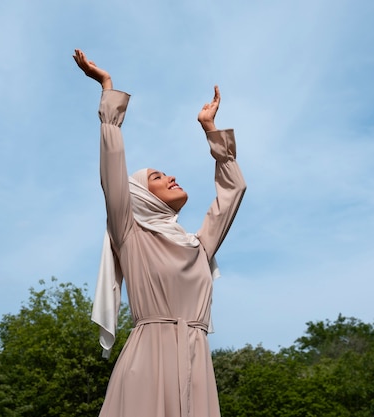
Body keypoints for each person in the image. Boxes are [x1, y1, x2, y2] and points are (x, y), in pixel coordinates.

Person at [73, 48, 246, 417]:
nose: (170, 177)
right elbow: (112, 174)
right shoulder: (130, 235)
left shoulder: (200, 246)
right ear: (140, 196)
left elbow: (233, 193)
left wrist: (211, 131)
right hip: (148, 364)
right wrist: (108, 91)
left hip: (196, 362)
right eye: (157, 176)